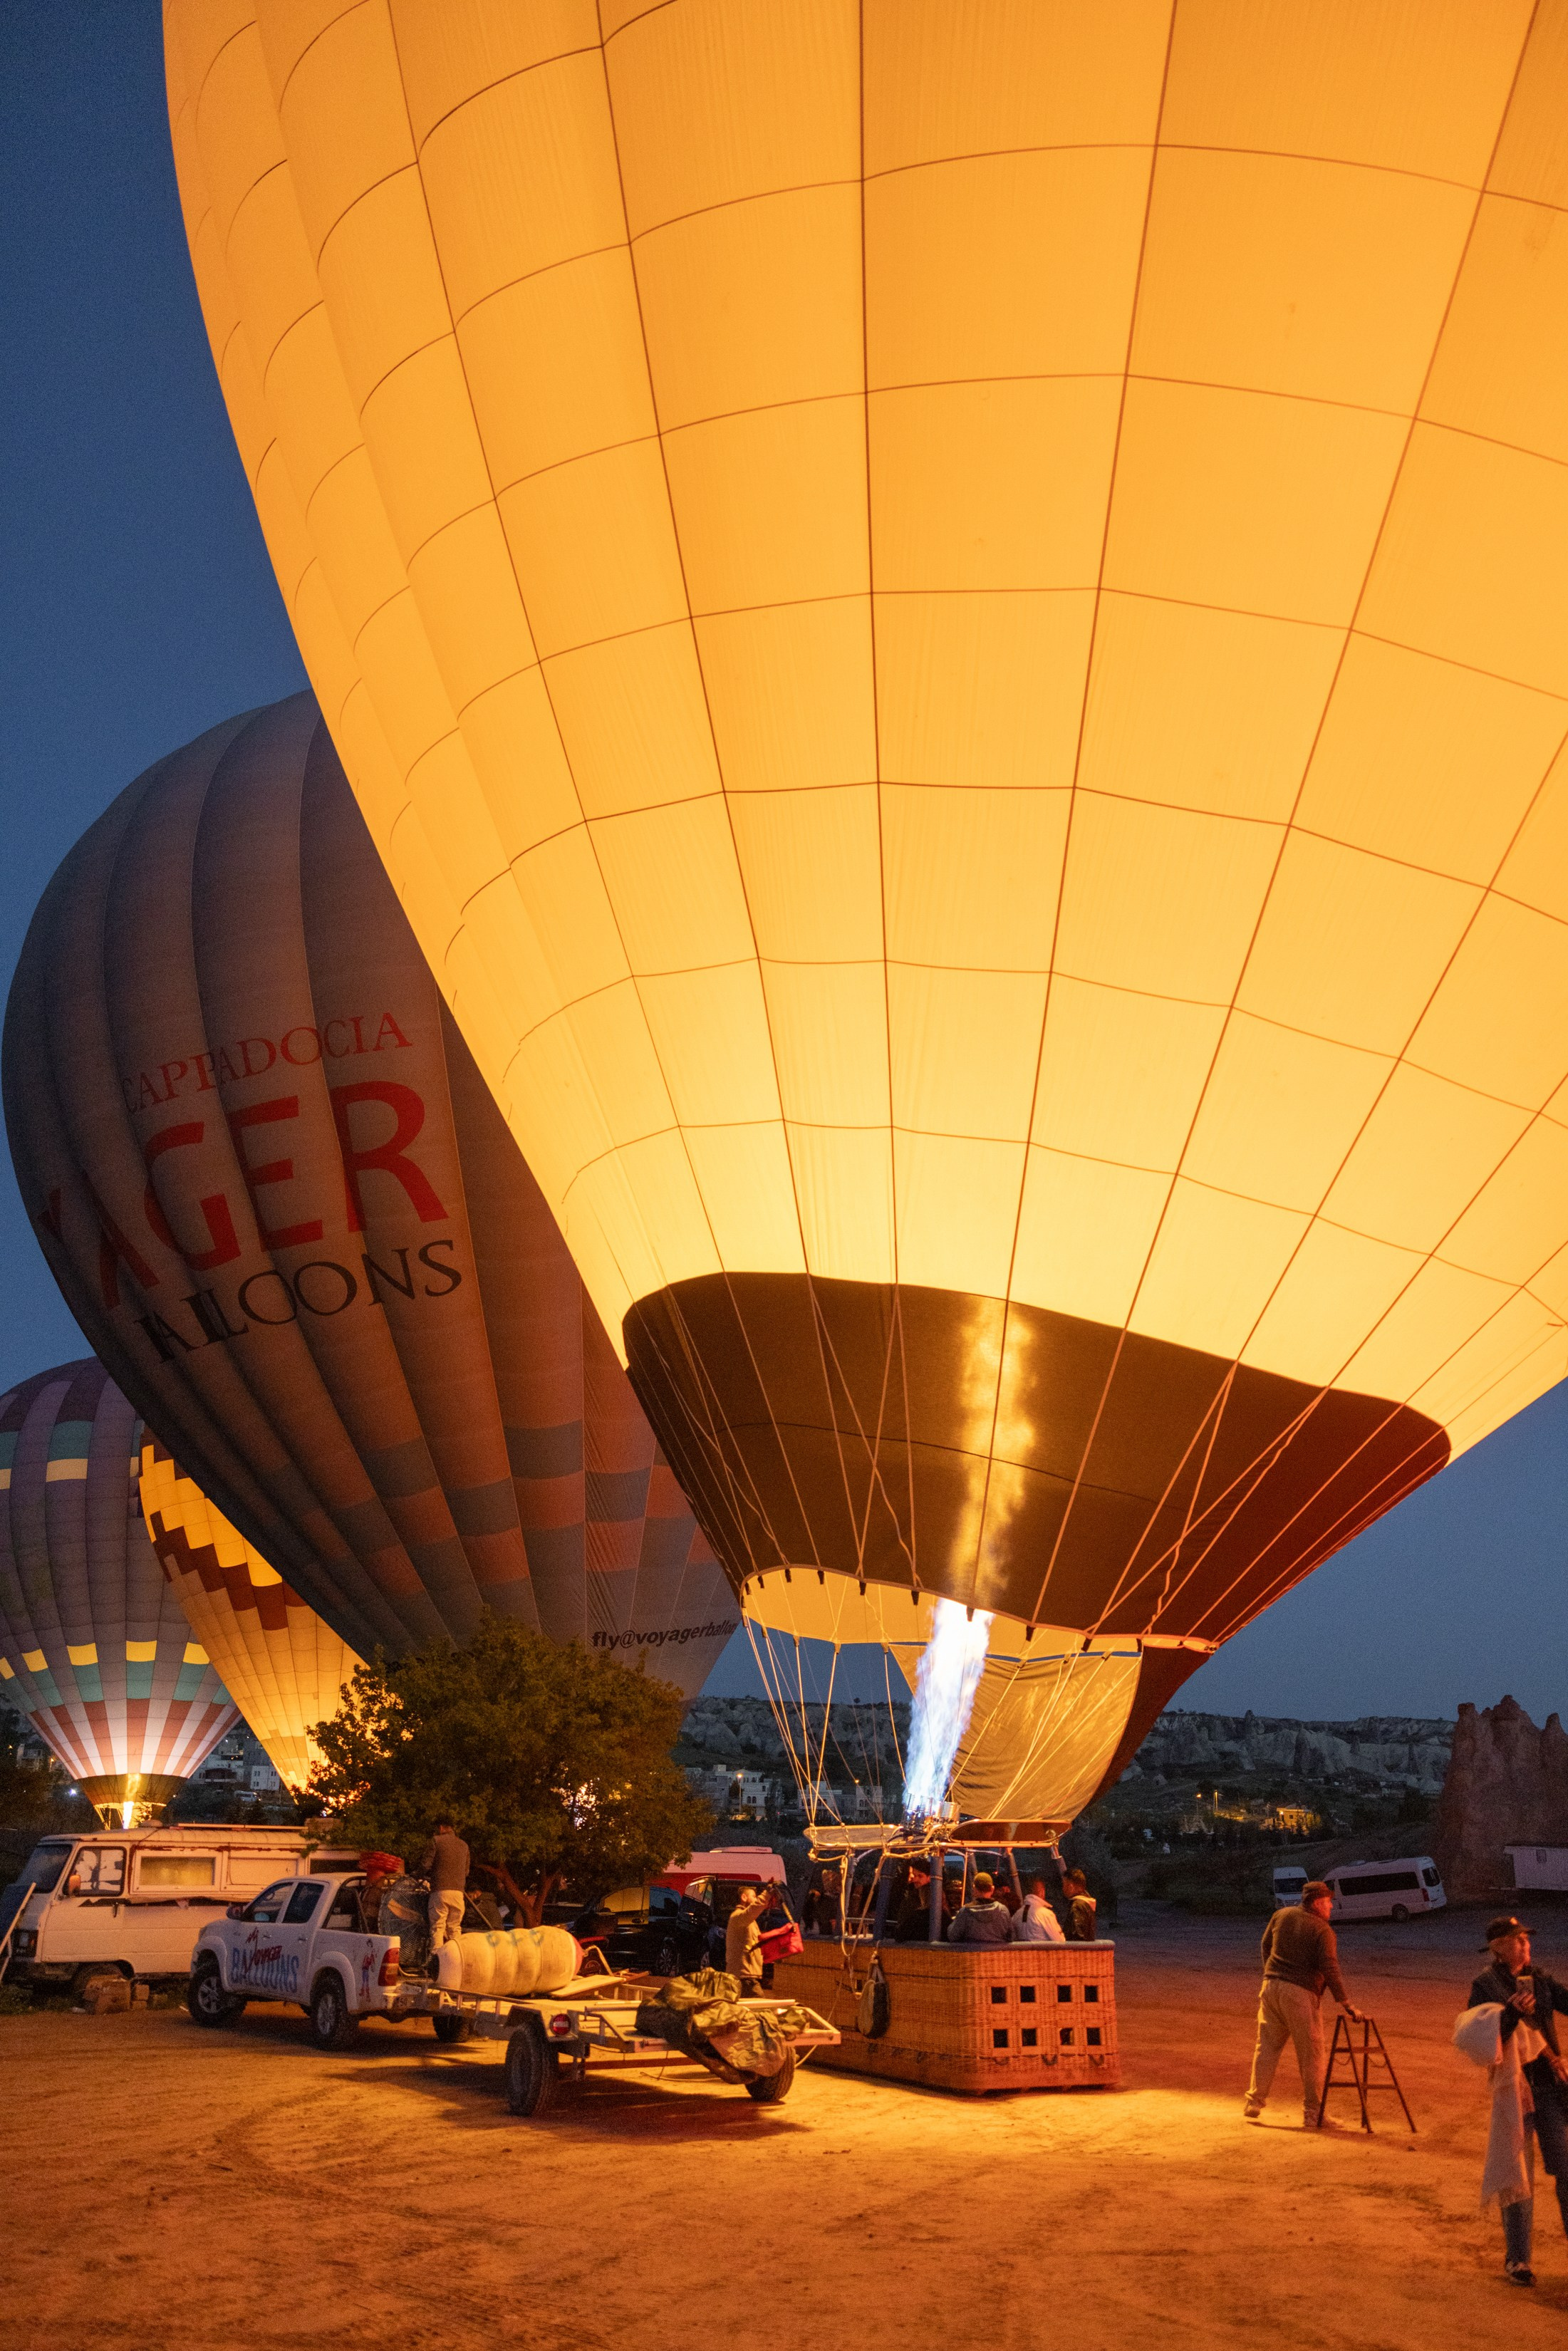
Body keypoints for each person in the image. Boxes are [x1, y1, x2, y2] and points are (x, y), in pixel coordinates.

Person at [1456, 1915, 1568, 2286]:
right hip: (1516, 2089)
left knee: (1566, 2167)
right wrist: (1510, 2015)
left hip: (1550, 2087)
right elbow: (1476, 2039)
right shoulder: (1485, 1984)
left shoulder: (1540, 1978)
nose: (1525, 1945)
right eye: (1517, 1940)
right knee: (1517, 2174)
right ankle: (1518, 2260)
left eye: (1526, 1939)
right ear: (1498, 1947)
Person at [1244, 1879, 1361, 2127]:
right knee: (1311, 2053)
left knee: (1266, 2047)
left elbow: (1265, 1946)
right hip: (1300, 1994)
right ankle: (1313, 2113)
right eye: (1328, 1902)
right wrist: (1346, 2002)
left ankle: (1254, 2101)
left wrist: (1271, 1972)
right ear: (1318, 1903)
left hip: (1271, 1988)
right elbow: (1330, 1967)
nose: (1331, 1907)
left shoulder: (1281, 1915)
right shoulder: (1322, 1930)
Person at [419, 1820, 470, 1951]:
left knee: (438, 1926)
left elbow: (425, 1865)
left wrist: (418, 1874)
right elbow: (466, 1872)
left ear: (441, 1828)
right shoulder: (464, 1845)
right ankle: (456, 1958)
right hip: (459, 1894)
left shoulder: (436, 1841)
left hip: (441, 1892)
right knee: (455, 1928)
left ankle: (437, 1962)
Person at [947, 1870, 1014, 1944]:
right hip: (996, 1954)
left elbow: (952, 1936)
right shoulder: (1003, 1911)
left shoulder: (965, 1911)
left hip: (971, 1954)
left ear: (974, 1889)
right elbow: (1011, 1937)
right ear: (992, 1889)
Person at [725, 1881, 766, 1994]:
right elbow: (754, 1909)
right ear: (744, 1897)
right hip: (744, 1977)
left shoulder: (748, 1921)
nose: (756, 1899)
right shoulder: (738, 1917)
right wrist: (767, 1895)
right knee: (761, 2007)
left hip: (745, 1975)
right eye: (753, 1896)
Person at [1013, 1876, 1066, 1944]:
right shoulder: (1046, 1914)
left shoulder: (1017, 1914)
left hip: (1022, 1954)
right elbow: (1060, 1941)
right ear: (1042, 1891)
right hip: (1043, 1954)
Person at [893, 1864, 933, 1943]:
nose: (915, 1879)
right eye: (914, 1876)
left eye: (920, 1876)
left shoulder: (936, 1900)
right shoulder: (909, 1898)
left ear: (930, 1878)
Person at [1062, 1869, 1097, 1941]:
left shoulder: (1077, 1906)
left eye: (1064, 1884)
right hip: (1087, 1951)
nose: (1063, 1888)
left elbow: (1077, 1937)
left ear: (1071, 1886)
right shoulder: (1086, 1903)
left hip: (1077, 1952)